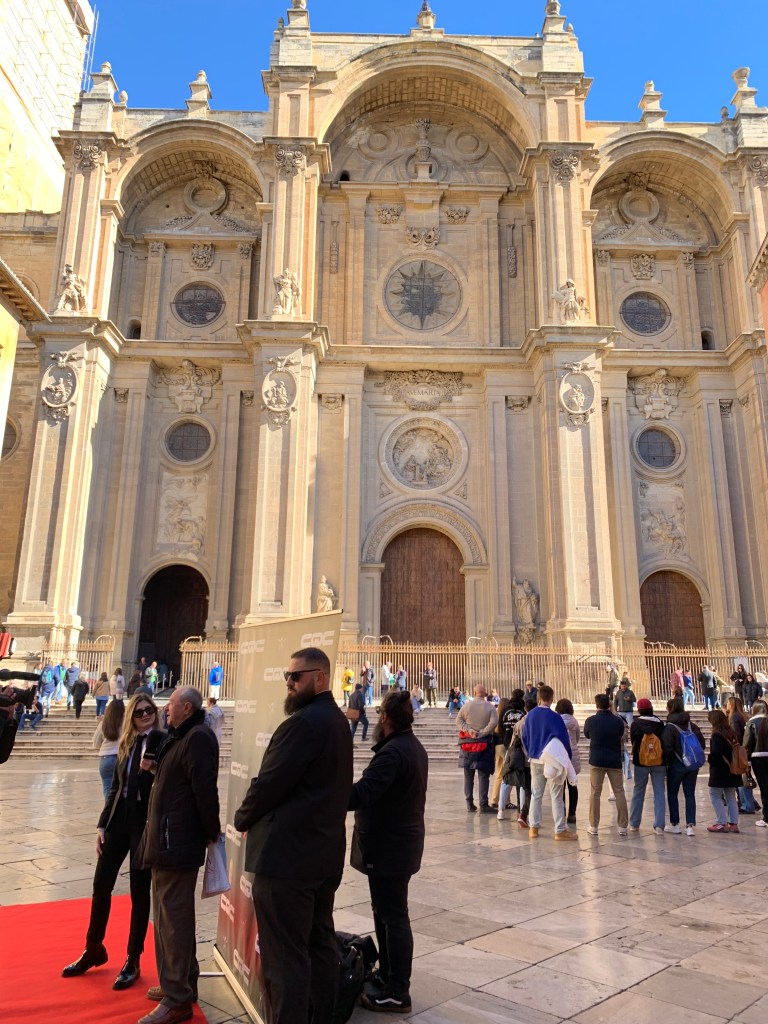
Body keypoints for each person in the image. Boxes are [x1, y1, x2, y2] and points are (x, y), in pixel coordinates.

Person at [234, 648, 352, 1024]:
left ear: (320, 678)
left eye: (295, 677)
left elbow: (270, 783)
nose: (288, 683)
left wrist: (241, 817)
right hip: (322, 857)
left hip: (287, 862)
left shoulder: (302, 724)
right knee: (319, 947)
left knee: (285, 960)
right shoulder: (336, 721)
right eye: (287, 676)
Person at [62, 694, 161, 991]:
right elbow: (116, 788)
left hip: (144, 822)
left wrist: (153, 770)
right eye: (139, 711)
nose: (145, 714)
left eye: (149, 710)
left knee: (139, 890)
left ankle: (133, 958)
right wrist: (101, 824)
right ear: (131, 716)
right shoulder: (126, 744)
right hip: (119, 819)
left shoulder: (163, 742)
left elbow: (167, 784)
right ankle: (94, 948)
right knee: (100, 883)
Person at [138, 686, 220, 1024]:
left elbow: (204, 790)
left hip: (177, 843)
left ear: (186, 708)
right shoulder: (179, 736)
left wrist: (211, 832)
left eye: (170, 704)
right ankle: (179, 981)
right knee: (167, 918)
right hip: (165, 840)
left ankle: (177, 999)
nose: (164, 709)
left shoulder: (198, 737)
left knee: (174, 921)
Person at [351, 689, 428, 1014]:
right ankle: (387, 975)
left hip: (390, 846)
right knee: (385, 912)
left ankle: (398, 991)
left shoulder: (394, 752)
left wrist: (329, 793)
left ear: (384, 718)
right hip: (395, 845)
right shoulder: (410, 747)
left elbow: (365, 793)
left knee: (393, 917)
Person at [522, 684, 576, 840]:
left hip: (535, 759)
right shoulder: (555, 717)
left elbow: (525, 737)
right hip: (552, 760)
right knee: (556, 796)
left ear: (539, 697)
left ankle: (533, 827)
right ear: (551, 699)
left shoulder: (530, 715)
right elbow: (564, 740)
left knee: (536, 794)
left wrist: (531, 753)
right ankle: (559, 829)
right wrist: (567, 758)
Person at [583, 693, 629, 836]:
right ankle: (622, 826)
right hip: (614, 760)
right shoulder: (618, 721)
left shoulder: (590, 720)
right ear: (609, 705)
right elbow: (621, 735)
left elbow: (587, 735)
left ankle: (594, 825)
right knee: (619, 792)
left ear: (596, 706)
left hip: (597, 760)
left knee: (595, 793)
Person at [662, 696, 705, 836]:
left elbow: (667, 748)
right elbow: (702, 744)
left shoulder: (669, 727)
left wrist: (666, 763)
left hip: (676, 764)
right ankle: (690, 825)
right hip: (692, 765)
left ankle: (675, 824)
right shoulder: (691, 725)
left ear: (670, 709)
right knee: (689, 794)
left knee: (672, 793)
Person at [456, 684, 498, 813]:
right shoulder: (490, 707)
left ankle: (469, 803)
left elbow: (458, 721)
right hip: (484, 744)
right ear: (485, 693)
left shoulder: (466, 706)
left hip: (467, 744)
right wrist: (482, 733)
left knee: (468, 775)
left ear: (474, 692)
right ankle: (483, 804)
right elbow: (494, 723)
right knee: (483, 775)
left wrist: (469, 731)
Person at [628, 698, 667, 834]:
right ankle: (659, 826)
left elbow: (633, 741)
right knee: (659, 792)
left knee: (638, 791)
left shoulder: (635, 724)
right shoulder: (660, 724)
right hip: (659, 762)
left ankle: (634, 823)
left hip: (641, 762)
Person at [707, 709, 742, 833]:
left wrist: (709, 758)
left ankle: (721, 822)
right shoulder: (731, 733)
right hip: (733, 769)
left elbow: (716, 754)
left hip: (720, 771)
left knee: (715, 795)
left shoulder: (717, 735)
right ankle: (733, 823)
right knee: (731, 796)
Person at [727, 696, 758, 814]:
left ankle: (747, 805)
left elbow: (736, 735)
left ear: (732, 704)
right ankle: (751, 803)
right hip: (746, 751)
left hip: (739, 752)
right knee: (745, 777)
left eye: (728, 703)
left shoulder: (734, 717)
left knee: (741, 779)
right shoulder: (743, 716)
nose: (727, 705)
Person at [93, 699, 126, 799]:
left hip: (106, 758)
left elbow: (96, 744)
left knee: (107, 788)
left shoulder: (103, 724)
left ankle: (109, 811)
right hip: (122, 757)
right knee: (122, 788)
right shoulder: (127, 723)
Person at [556, 698, 581, 824]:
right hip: (572, 755)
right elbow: (577, 738)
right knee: (573, 785)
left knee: (561, 786)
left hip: (560, 754)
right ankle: (572, 814)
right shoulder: (574, 721)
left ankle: (562, 812)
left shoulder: (556, 720)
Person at [744, 700, 768, 828]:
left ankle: (766, 817)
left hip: (758, 759)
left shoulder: (752, 723)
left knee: (764, 788)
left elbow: (747, 744)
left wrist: (746, 762)